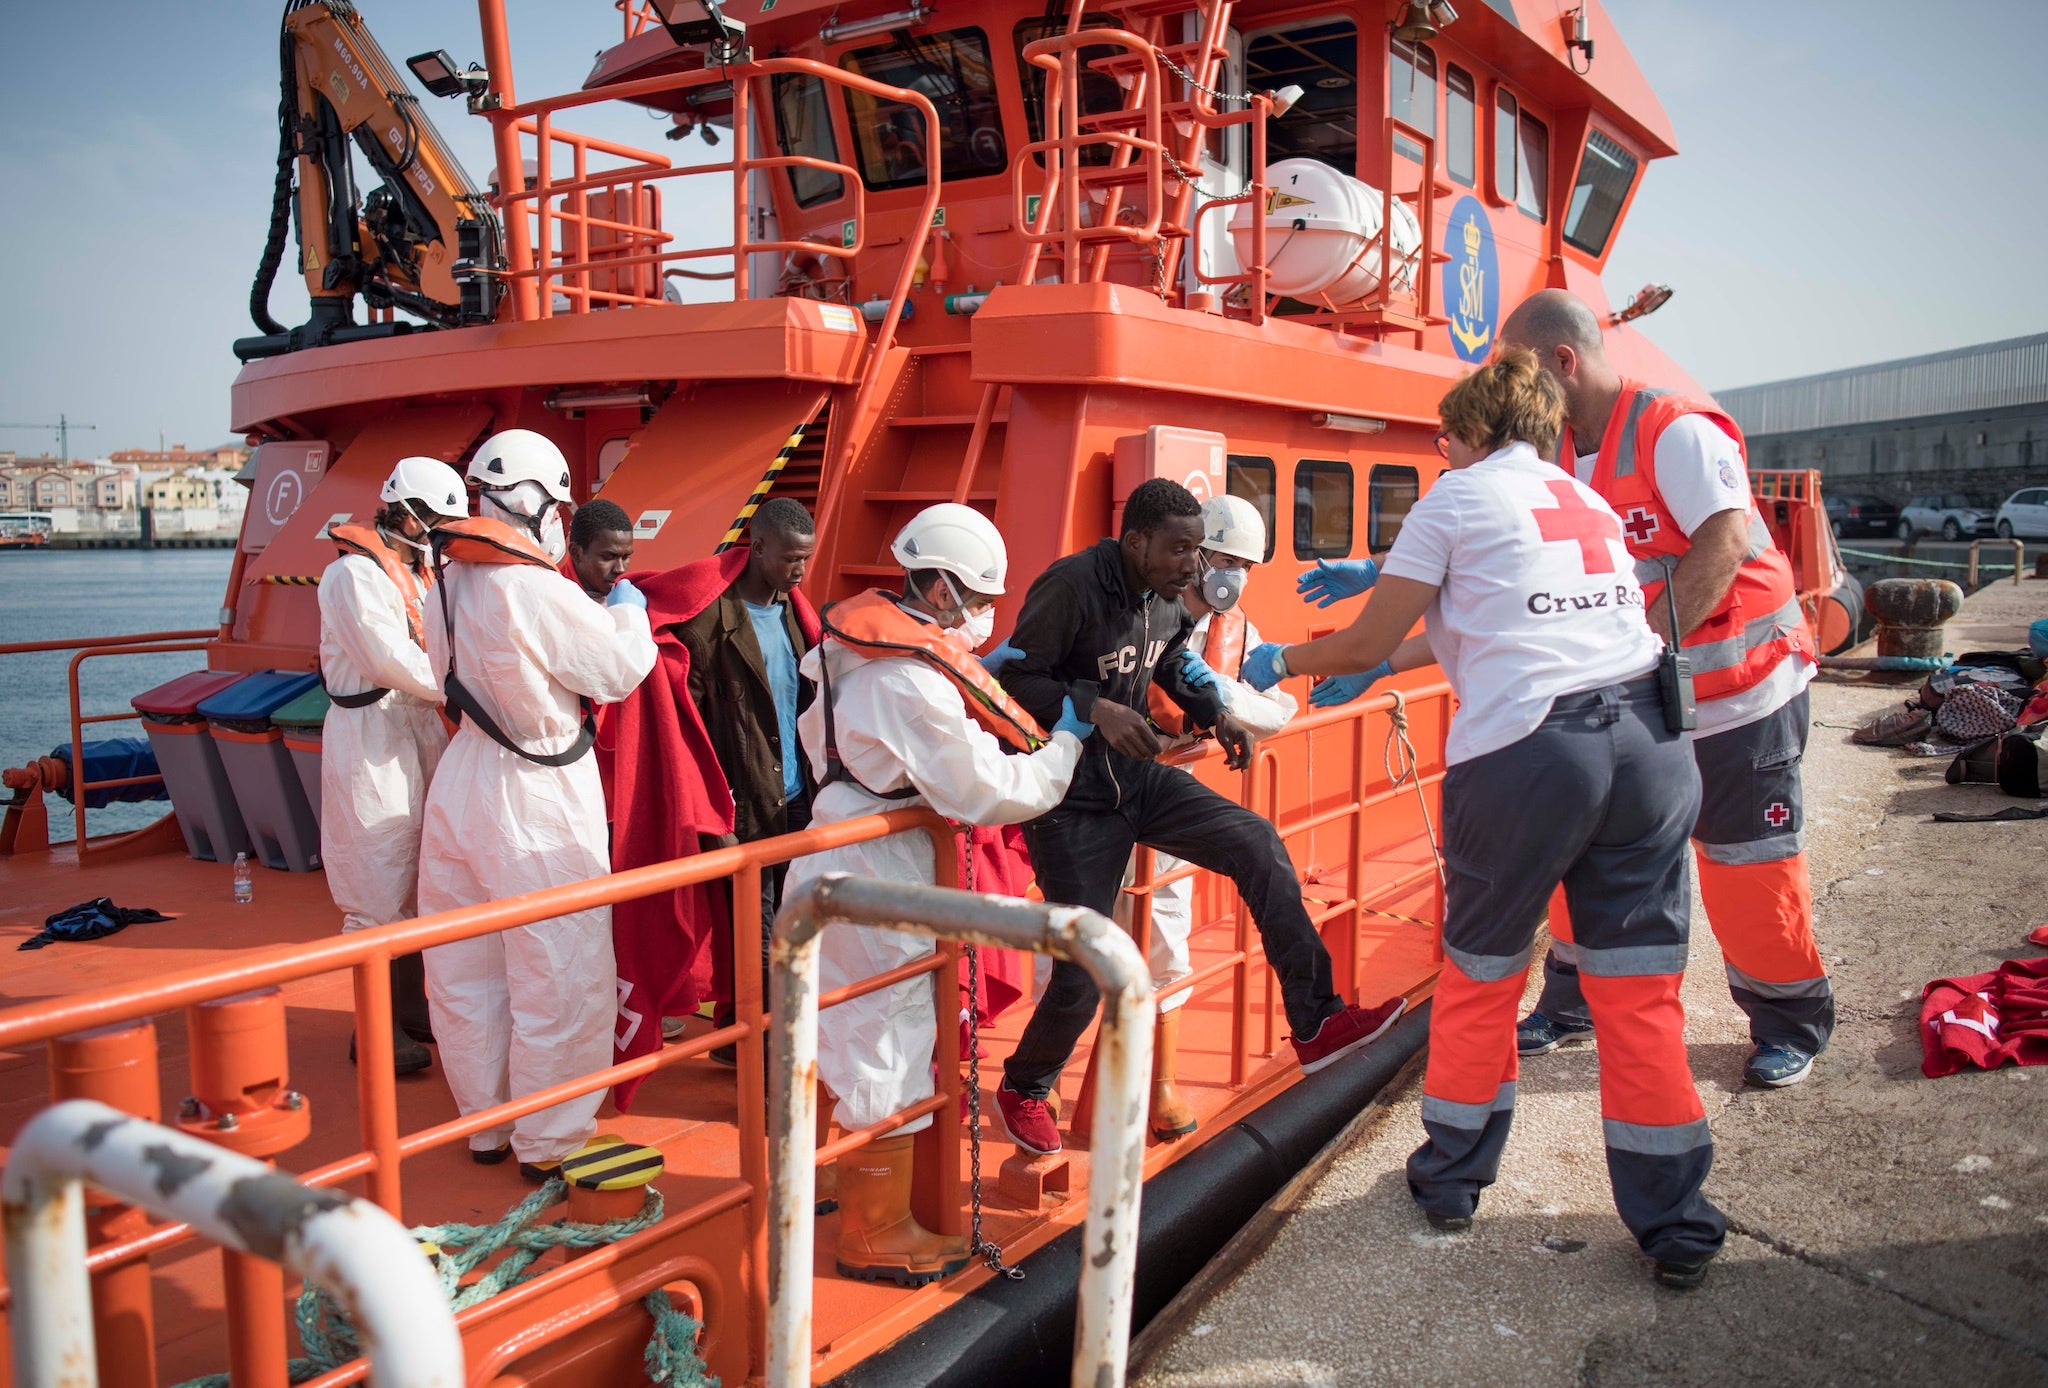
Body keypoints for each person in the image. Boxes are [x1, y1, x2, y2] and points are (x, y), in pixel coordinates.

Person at [1241, 350, 1726, 1287]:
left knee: (1482, 968)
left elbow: (1371, 635)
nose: (1440, 448)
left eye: (1446, 435)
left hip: (1537, 755)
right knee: (1638, 992)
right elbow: (1511, 610)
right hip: (1652, 741)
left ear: (1474, 431)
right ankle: (1676, 1224)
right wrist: (1391, 636)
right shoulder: (1579, 500)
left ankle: (1453, 1178)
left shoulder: (1454, 498)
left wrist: (1281, 664)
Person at [993, 478, 1407, 1159]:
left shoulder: (1166, 594)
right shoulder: (1069, 587)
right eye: (1181, 549)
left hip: (1138, 779)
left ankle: (1316, 1022)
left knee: (1258, 843)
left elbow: (1174, 659)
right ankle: (1026, 1086)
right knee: (1087, 959)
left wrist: (1218, 714)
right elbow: (1013, 680)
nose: (1195, 565)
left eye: (1200, 551)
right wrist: (1095, 707)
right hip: (1071, 798)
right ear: (1135, 542)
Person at [1499, 290, 1831, 1088]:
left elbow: (1723, 541)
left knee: (1745, 860)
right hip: (1638, 688)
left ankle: (1789, 1022)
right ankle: (1574, 1000)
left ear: (1562, 362)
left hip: (1738, 693)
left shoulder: (1671, 429)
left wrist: (1639, 645)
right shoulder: (1554, 450)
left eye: (1519, 372)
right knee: (1591, 849)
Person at [788, 503, 1093, 1284]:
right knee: (888, 1030)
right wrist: (1063, 750)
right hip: (882, 861)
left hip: (844, 845)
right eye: (977, 597)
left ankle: (828, 1174)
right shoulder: (906, 682)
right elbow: (984, 788)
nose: (985, 614)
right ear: (938, 588)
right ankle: (875, 1229)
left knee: (842, 1024)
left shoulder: (853, 649)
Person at [416, 428, 656, 1178]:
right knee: (560, 967)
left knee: (465, 967)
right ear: (536, 502)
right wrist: (628, 610)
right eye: (557, 501)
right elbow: (615, 670)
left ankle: (485, 1125)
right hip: (538, 787)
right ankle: (549, 1142)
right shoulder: (535, 585)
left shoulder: (445, 583)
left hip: (461, 781)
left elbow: (436, 670)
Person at [1133, 494, 1299, 1140]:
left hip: (1175, 791)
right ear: (1197, 555)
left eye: (1247, 566)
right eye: (1226, 559)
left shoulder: (1242, 635)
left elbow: (1279, 710)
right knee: (1093, 928)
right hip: (1114, 782)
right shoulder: (1148, 612)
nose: (1235, 575)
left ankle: (1161, 1083)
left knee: (1166, 930)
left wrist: (1213, 692)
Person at [319, 456, 467, 1076]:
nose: (440, 532)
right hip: (370, 733)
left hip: (418, 727)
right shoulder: (354, 576)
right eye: (433, 519)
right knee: (376, 879)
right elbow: (384, 659)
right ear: (403, 510)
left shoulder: (425, 568)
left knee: (416, 876)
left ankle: (410, 1009)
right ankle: (373, 1031)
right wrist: (461, 688)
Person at [676, 497, 820, 1058]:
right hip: (745, 806)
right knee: (759, 940)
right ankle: (764, 1065)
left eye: (805, 560)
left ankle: (747, 1043)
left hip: (796, 800)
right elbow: (686, 729)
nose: (799, 572)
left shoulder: (795, 615)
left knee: (794, 929)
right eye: (789, 559)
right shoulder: (708, 623)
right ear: (756, 548)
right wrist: (711, 814)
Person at [567, 499, 635, 602]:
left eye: (625, 557)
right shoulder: (552, 601)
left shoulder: (634, 595)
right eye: (608, 557)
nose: (620, 569)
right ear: (576, 553)